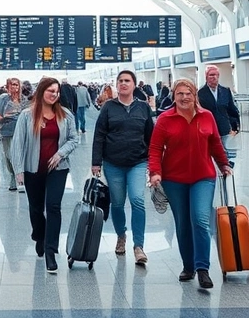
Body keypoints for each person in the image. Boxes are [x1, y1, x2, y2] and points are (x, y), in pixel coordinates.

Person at [149, 78, 232, 289]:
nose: (184, 97)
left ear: (195, 95)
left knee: (201, 220)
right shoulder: (165, 119)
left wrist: (223, 164)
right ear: (174, 96)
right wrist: (155, 173)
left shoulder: (207, 116)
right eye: (180, 94)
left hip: (203, 177)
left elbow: (215, 143)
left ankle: (203, 268)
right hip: (173, 179)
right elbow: (155, 149)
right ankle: (188, 266)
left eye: (188, 93)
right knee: (183, 223)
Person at [10, 77, 79, 273]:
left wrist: (60, 154)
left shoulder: (65, 115)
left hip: (58, 168)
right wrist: (18, 170)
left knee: (54, 206)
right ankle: (39, 235)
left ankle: (51, 251)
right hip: (33, 169)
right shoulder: (27, 116)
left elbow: (74, 139)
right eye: (50, 91)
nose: (54, 95)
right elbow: (18, 143)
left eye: (56, 92)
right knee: (36, 209)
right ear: (41, 92)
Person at [91, 69, 153, 265]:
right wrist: (96, 162)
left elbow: (150, 136)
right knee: (117, 203)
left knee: (137, 200)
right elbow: (99, 134)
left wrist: (153, 161)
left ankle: (139, 246)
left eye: (127, 81)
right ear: (116, 85)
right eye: (120, 81)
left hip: (138, 162)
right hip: (113, 163)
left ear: (134, 85)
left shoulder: (143, 108)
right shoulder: (108, 107)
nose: (124, 84)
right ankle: (121, 236)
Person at [197, 65, 240, 165]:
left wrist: (235, 127)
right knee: (210, 154)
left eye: (216, 75)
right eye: (211, 75)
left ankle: (225, 170)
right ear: (206, 76)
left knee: (226, 154)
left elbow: (232, 109)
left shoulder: (225, 91)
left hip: (225, 128)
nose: (214, 77)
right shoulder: (200, 93)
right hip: (208, 130)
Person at [0, 77, 28, 192]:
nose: (14, 87)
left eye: (16, 85)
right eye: (12, 85)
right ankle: (13, 175)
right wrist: (4, 117)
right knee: (8, 156)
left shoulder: (24, 100)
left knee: (17, 155)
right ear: (8, 86)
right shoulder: (3, 99)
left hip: (20, 132)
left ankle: (19, 179)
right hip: (7, 131)